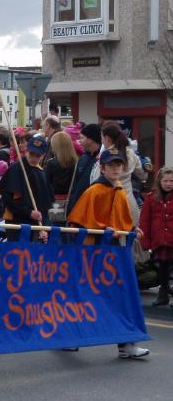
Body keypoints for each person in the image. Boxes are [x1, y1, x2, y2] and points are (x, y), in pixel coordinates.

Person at [67, 148, 149, 358]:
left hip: (115, 254)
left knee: (121, 298)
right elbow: (77, 222)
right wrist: (101, 230)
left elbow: (122, 219)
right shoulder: (93, 192)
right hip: (94, 253)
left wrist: (131, 229)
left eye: (118, 165)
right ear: (102, 168)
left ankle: (126, 344)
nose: (115, 169)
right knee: (86, 297)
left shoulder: (120, 190)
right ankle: (70, 337)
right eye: (111, 165)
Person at [0, 136, 54, 242]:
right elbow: (7, 199)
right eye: (32, 154)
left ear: (43, 155)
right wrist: (28, 212)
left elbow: (45, 206)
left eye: (38, 155)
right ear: (27, 151)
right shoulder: (16, 169)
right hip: (17, 224)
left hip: (36, 225)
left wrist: (44, 228)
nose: (34, 158)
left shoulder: (41, 172)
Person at [90, 122, 147, 226]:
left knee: (113, 237)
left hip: (109, 203)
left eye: (102, 137)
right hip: (129, 201)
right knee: (129, 235)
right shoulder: (131, 153)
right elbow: (143, 175)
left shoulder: (107, 156)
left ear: (107, 138)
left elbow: (96, 179)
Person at [139, 167, 173, 306]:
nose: (169, 184)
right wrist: (145, 242)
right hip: (159, 240)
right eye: (166, 180)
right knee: (162, 269)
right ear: (159, 181)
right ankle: (163, 294)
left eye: (171, 181)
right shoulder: (151, 198)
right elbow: (145, 221)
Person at [66, 123, 102, 215]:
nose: (79, 141)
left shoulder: (102, 160)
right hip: (77, 208)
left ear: (90, 139)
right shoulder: (83, 158)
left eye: (82, 138)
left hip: (91, 210)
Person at [45, 132, 78, 225]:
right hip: (71, 202)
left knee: (54, 229)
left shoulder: (51, 163)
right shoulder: (76, 163)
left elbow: (46, 184)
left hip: (54, 202)